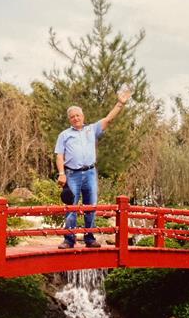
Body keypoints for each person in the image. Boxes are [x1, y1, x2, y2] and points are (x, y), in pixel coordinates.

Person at [55, 88, 132, 249]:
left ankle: (89, 237)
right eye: (72, 117)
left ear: (83, 116)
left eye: (78, 115)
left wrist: (120, 104)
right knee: (71, 207)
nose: (76, 118)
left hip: (90, 172)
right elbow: (59, 155)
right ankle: (69, 240)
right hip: (71, 174)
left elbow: (108, 119)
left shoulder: (92, 130)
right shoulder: (64, 135)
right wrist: (61, 174)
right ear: (69, 119)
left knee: (91, 206)